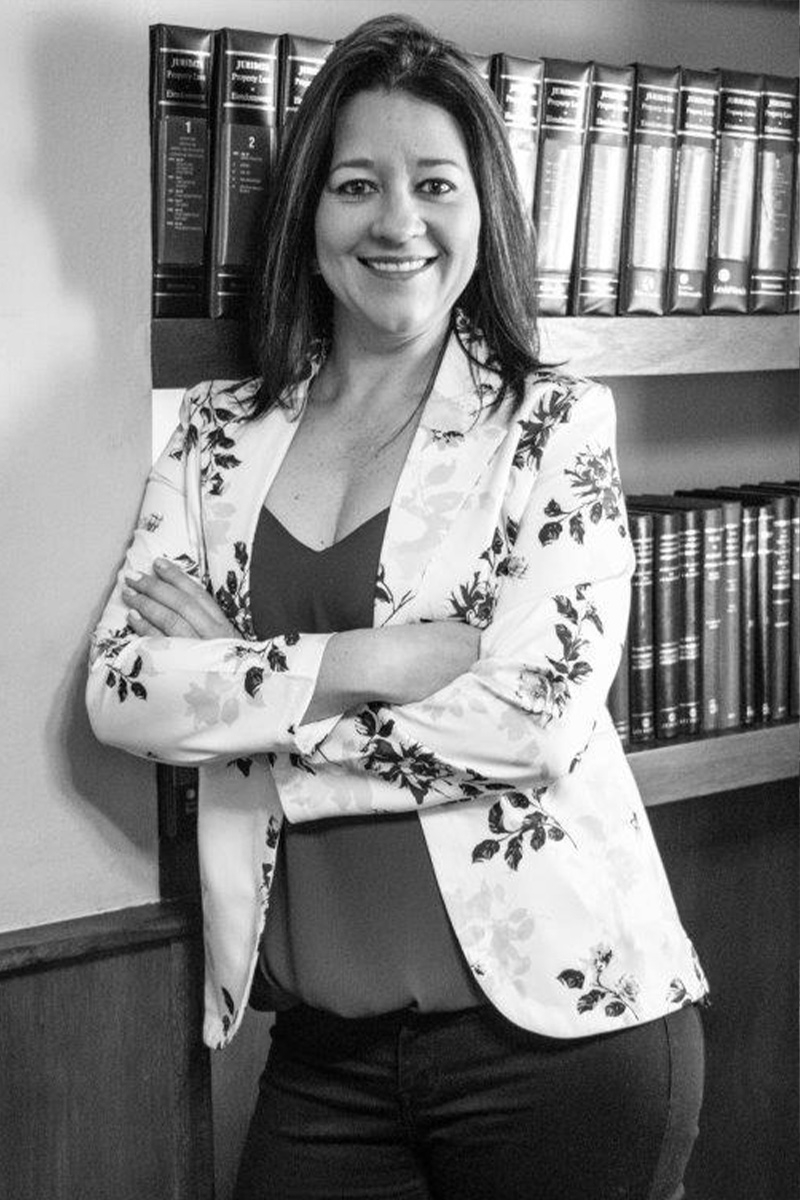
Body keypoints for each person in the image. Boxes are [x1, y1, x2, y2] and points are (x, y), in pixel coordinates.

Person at [87, 15, 708, 1199]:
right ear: (307, 211)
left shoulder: (552, 426)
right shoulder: (215, 431)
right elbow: (122, 693)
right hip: (322, 1058)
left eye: (433, 184)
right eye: (356, 185)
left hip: (562, 1041)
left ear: (482, 211)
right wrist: (365, 659)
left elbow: (531, 723)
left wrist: (247, 695)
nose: (396, 223)